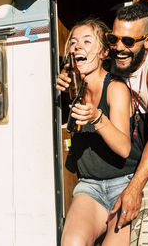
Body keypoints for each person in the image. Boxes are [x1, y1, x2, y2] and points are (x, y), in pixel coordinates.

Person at [56, 17, 134, 246]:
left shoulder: (116, 89)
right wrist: (58, 94)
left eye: (87, 42)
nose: (77, 46)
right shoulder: (72, 88)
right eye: (74, 43)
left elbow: (124, 148)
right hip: (90, 186)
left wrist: (97, 117)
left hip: (124, 184)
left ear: (103, 53)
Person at [107, 1, 148, 245]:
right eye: (114, 38)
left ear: (147, 40)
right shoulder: (117, 60)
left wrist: (134, 188)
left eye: (128, 42)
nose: (119, 48)